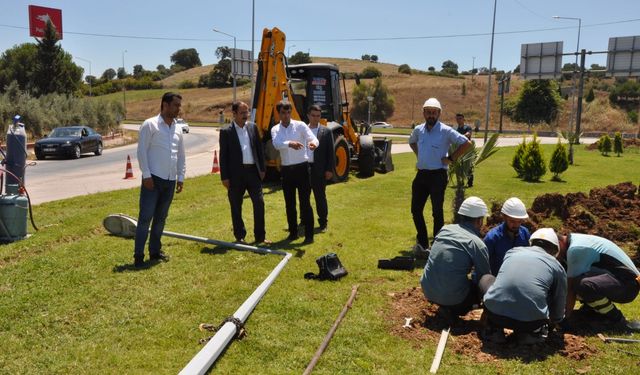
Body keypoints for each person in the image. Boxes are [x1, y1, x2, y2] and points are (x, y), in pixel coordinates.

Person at [481, 228, 567, 344]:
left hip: (496, 314)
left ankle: (493, 328)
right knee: (550, 291)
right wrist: (554, 321)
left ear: (531, 243)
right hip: (530, 323)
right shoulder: (557, 266)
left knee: (486, 279)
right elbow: (559, 299)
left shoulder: (512, 252)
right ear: (555, 250)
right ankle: (529, 335)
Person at [409, 98, 472, 252]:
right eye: (428, 112)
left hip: (438, 176)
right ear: (424, 113)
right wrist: (420, 156)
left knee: (437, 211)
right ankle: (423, 242)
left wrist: (451, 158)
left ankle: (437, 245)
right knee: (415, 210)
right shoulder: (418, 130)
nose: (431, 115)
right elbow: (412, 142)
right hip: (421, 175)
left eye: (434, 113)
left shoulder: (446, 130)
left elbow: (466, 143)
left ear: (439, 114)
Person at [134, 92, 186, 267]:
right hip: (153, 180)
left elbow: (180, 155)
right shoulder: (150, 125)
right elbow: (141, 152)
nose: (179, 109)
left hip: (170, 180)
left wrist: (181, 177)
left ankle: (155, 252)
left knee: (161, 218)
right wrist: (146, 175)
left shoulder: (177, 127)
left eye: (179, 105)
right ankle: (138, 255)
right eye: (176, 105)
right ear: (165, 104)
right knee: (145, 218)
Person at [420, 196, 491, 324]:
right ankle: (452, 309)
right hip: (454, 300)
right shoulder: (477, 244)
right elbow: (485, 279)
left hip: (428, 290)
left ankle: (444, 304)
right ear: (480, 221)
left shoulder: (444, 230)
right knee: (479, 288)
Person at [557, 232, 640, 331]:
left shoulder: (576, 249)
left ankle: (616, 319)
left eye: (553, 250)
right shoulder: (573, 241)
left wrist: (564, 318)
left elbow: (570, 288)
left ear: (559, 242)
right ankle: (592, 310)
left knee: (582, 285)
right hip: (617, 279)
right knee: (572, 278)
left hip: (627, 286)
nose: (554, 255)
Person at [219, 101, 268, 245]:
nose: (246, 115)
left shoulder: (252, 127)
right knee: (236, 205)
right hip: (235, 175)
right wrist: (225, 177)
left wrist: (263, 169)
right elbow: (223, 156)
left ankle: (260, 237)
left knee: (259, 203)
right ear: (234, 114)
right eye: (242, 113)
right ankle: (240, 236)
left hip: (253, 172)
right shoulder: (226, 131)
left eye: (247, 112)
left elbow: (259, 150)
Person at [271, 101, 319, 244]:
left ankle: (309, 236)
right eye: (283, 113)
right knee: (289, 204)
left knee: (305, 203)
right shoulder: (275, 129)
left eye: (288, 113)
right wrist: (289, 143)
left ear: (291, 112)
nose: (286, 116)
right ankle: (293, 234)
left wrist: (313, 144)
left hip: (302, 169)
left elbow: (314, 138)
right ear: (278, 113)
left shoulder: (300, 125)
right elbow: (276, 144)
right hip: (286, 170)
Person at [303, 104, 335, 232]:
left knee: (320, 196)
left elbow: (330, 152)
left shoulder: (326, 132)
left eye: (318, 116)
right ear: (308, 116)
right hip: (304, 168)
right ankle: (304, 221)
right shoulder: (302, 130)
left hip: (319, 169)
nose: (316, 118)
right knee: (303, 197)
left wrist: (329, 170)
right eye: (313, 116)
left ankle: (323, 222)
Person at [483, 197, 531, 275]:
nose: (516, 225)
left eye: (519, 221)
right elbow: (483, 265)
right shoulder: (492, 238)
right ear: (504, 217)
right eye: (512, 221)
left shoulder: (525, 233)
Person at [455, 113, 474, 187]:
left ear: (463, 119)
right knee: (459, 166)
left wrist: (459, 136)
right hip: (458, 150)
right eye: (457, 118)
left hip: (467, 150)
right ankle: (460, 182)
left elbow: (468, 134)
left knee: (468, 166)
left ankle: (470, 183)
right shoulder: (456, 129)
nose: (458, 120)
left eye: (460, 118)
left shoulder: (467, 127)